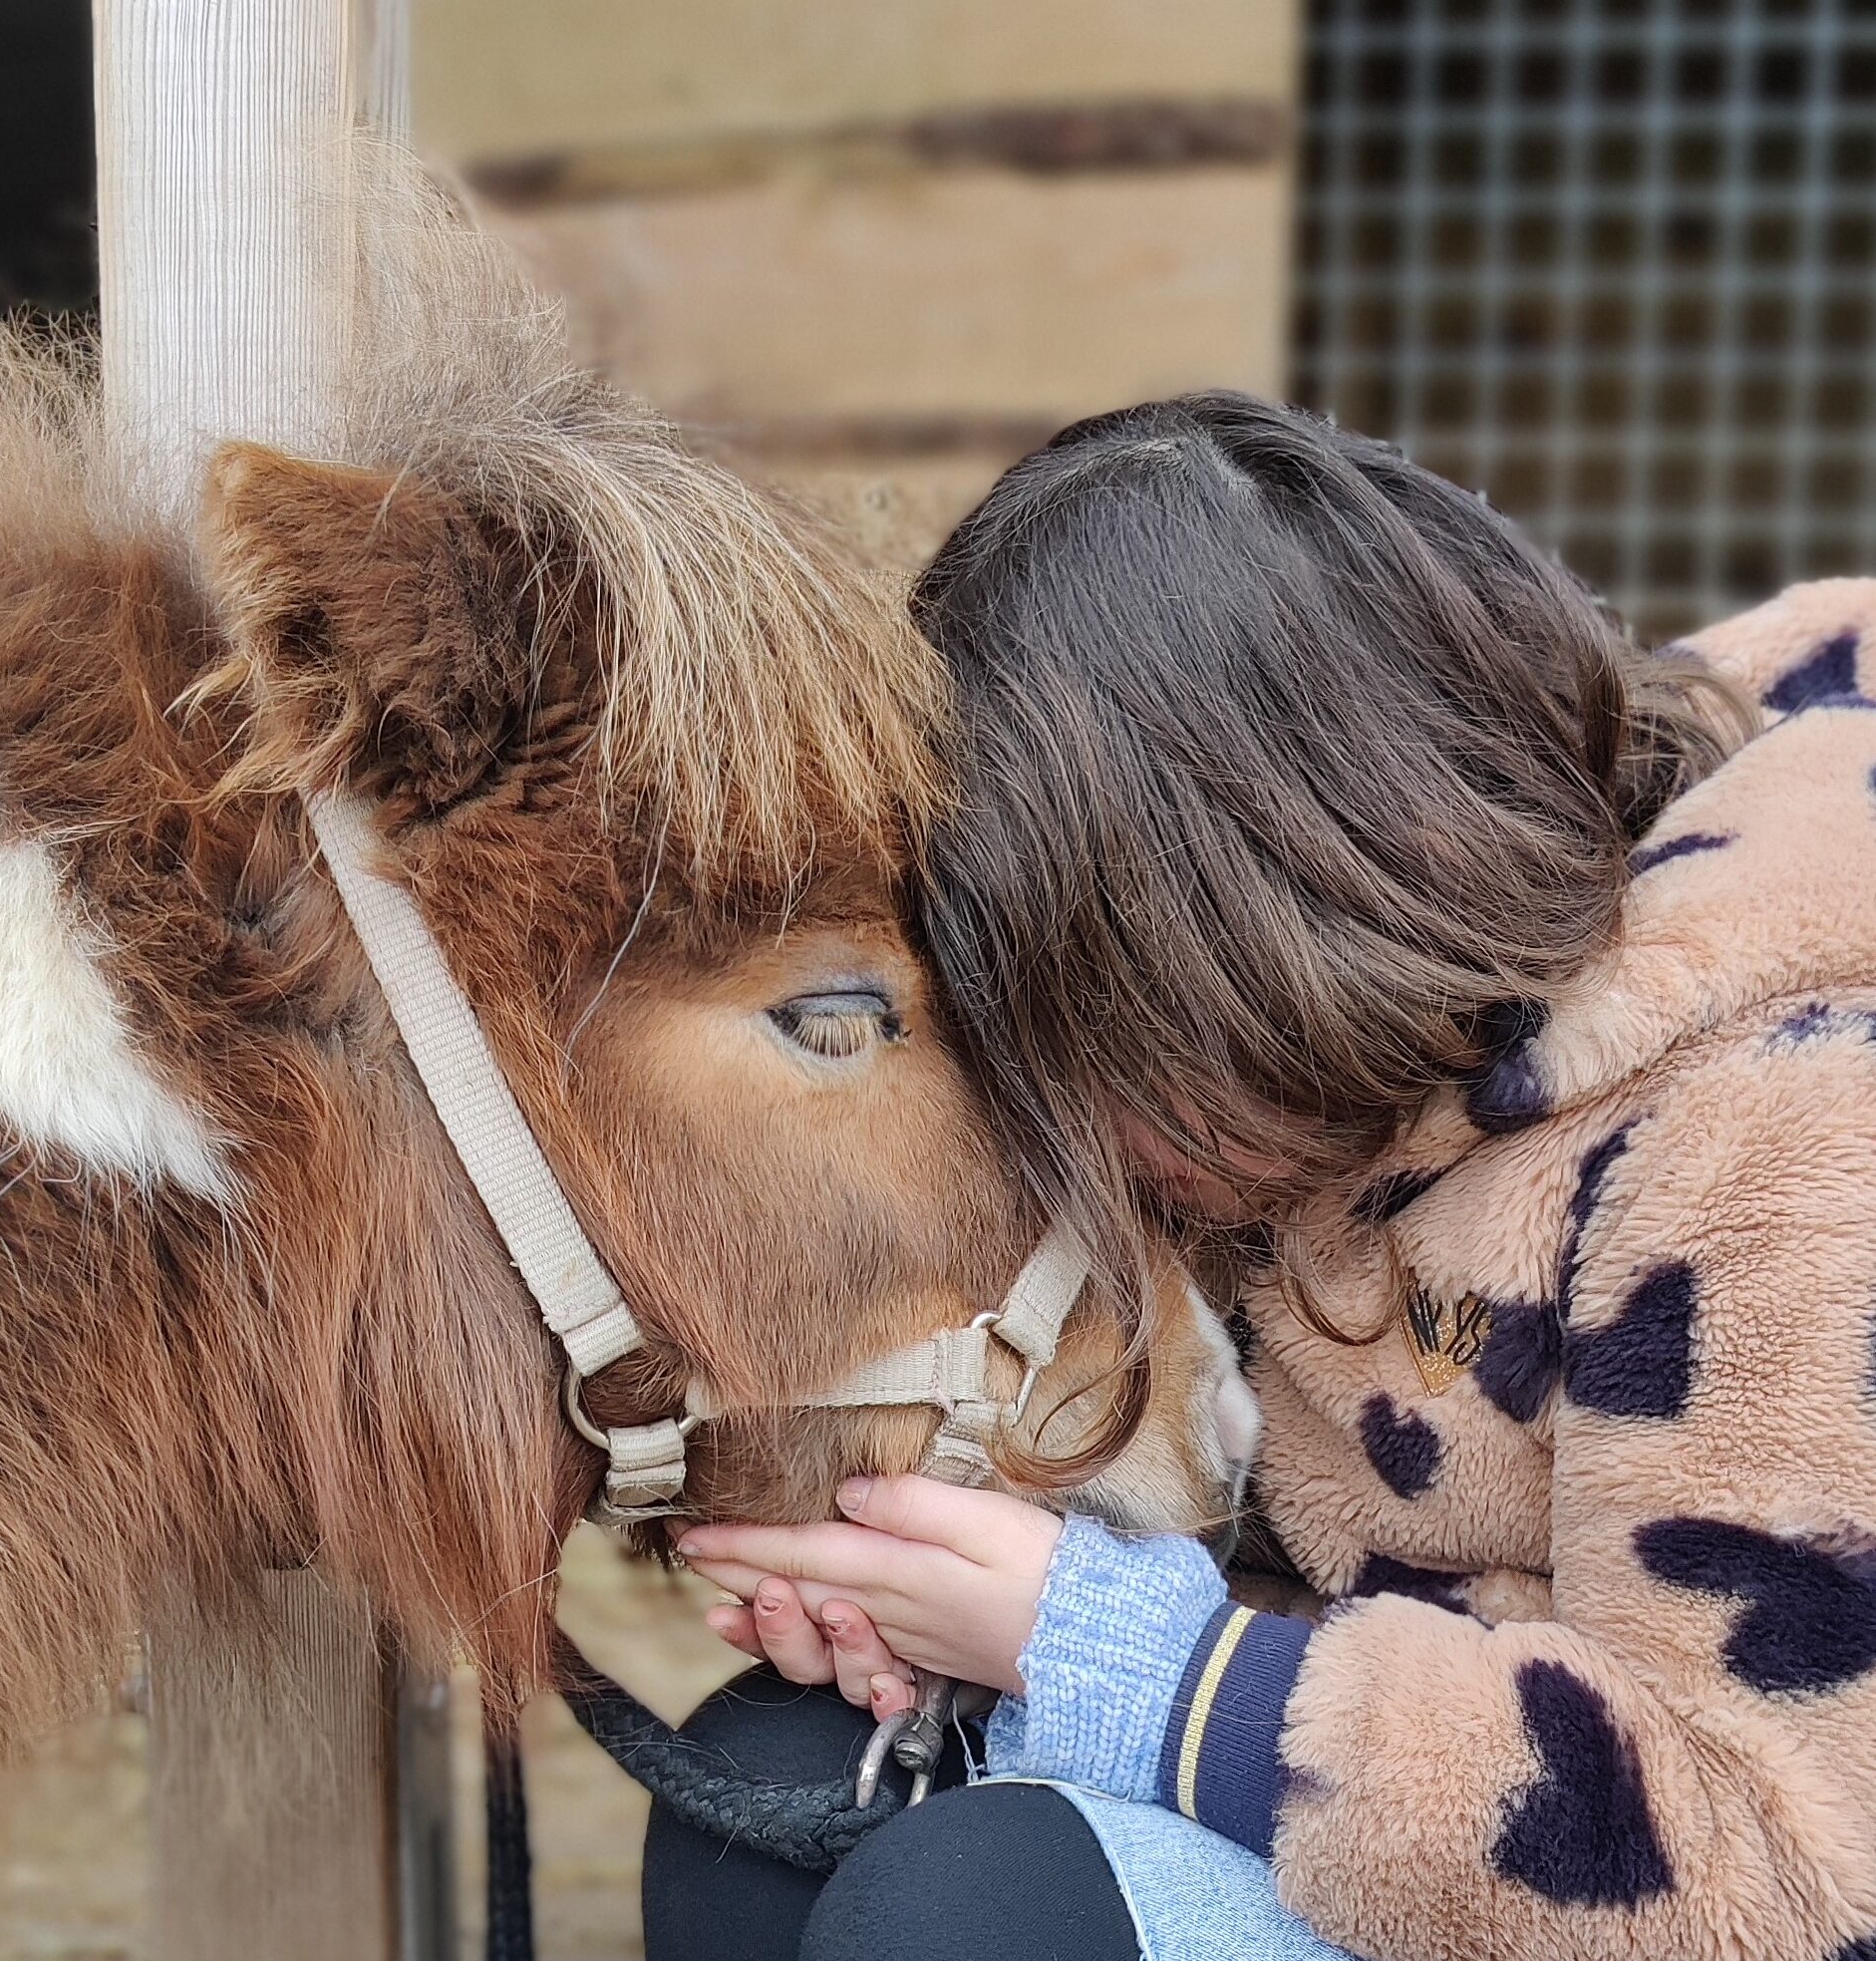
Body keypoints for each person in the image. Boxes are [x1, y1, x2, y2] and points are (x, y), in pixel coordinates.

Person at [643, 392, 1876, 1961]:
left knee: (966, 1918)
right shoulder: (1349, 1086)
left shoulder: (1785, 1133)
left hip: (1662, 1888)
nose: (1076, 1147)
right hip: (1421, 1810)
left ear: (1251, 957)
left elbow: (1783, 1873)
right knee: (766, 1790)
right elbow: (1309, 1556)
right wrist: (951, 1601)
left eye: (1089, 1063)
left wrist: (1123, 1663)